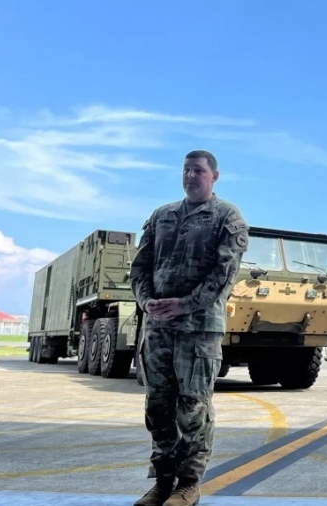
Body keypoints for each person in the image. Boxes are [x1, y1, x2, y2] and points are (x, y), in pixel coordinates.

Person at [129, 149, 249, 506]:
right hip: (158, 327)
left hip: (198, 328)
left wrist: (185, 304)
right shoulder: (161, 216)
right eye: (186, 170)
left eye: (198, 170)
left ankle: (188, 483)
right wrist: (146, 301)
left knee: (193, 406)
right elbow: (141, 266)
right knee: (158, 405)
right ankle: (162, 482)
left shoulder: (227, 216)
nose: (191, 176)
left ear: (214, 176)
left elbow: (223, 275)